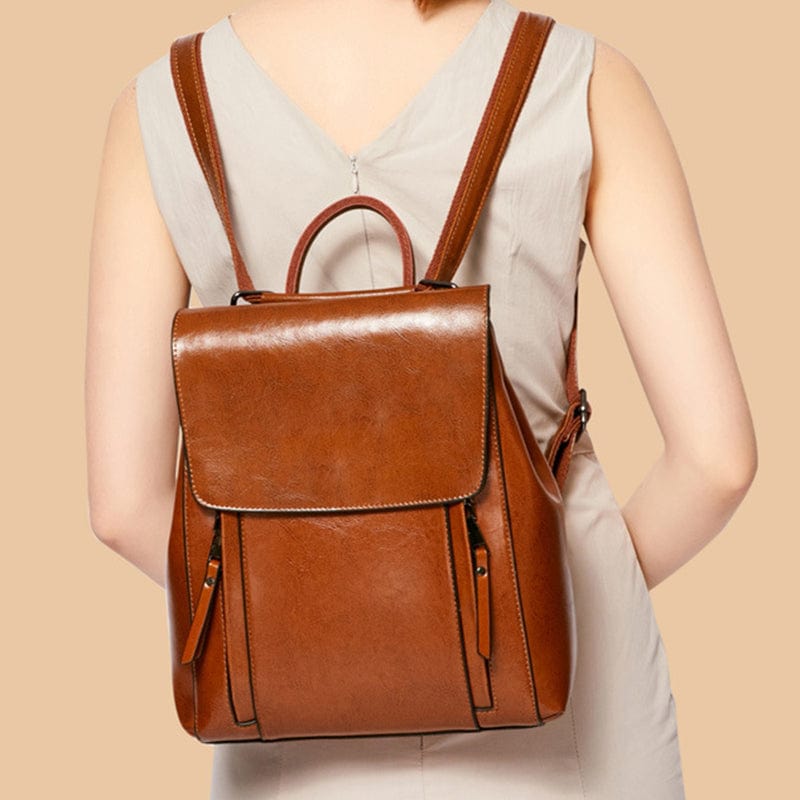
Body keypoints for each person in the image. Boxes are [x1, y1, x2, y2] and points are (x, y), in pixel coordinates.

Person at [85, 0, 758, 797]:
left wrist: (326, 609)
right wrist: (548, 595)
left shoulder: (162, 103)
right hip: (572, 698)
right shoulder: (578, 75)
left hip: (291, 706)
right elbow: (716, 463)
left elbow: (124, 507)